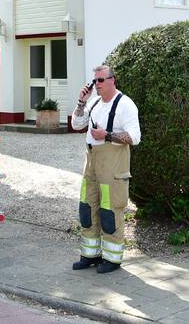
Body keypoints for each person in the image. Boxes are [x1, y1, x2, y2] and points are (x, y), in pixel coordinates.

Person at [70, 65, 141, 274]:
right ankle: (90, 255)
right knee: (87, 206)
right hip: (91, 160)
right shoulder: (94, 103)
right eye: (95, 81)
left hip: (113, 162)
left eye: (100, 80)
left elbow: (134, 137)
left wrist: (107, 135)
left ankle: (112, 259)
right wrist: (81, 101)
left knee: (110, 209)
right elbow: (76, 124)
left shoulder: (125, 104)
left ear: (112, 80)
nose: (97, 85)